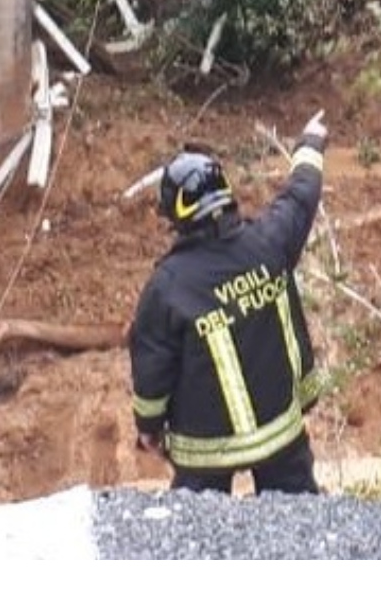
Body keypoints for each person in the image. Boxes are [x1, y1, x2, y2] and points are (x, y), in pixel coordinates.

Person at [126, 116, 328, 494]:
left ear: (176, 214)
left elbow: (152, 370)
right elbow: (302, 194)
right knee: (302, 527)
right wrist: (310, 144)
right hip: (281, 434)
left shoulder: (167, 287)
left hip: (205, 452)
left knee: (197, 537)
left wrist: (149, 428)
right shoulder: (269, 242)